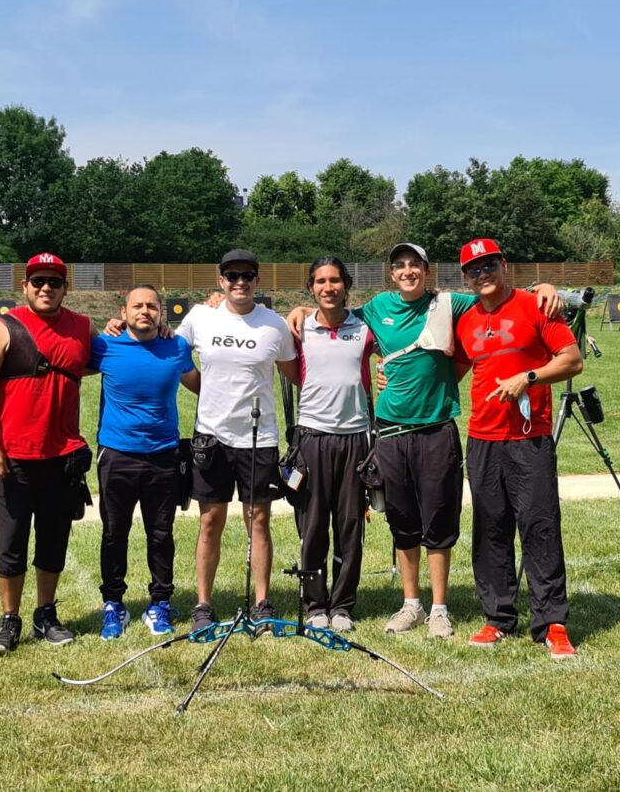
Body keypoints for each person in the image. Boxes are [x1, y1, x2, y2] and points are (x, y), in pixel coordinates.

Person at [290, 243, 558, 639]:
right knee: (403, 523)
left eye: (415, 265)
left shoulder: (451, 304)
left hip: (437, 430)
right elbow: (333, 315)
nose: (407, 271)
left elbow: (497, 296)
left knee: (439, 521)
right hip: (390, 433)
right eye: (399, 265)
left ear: (427, 272)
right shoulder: (376, 310)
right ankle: (411, 604)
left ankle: (439, 609)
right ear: (391, 274)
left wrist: (544, 286)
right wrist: (297, 311)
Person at [453, 238, 583, 659]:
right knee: (490, 529)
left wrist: (528, 377)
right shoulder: (465, 320)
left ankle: (552, 622)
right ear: (465, 277)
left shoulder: (535, 306)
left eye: (489, 265)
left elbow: (572, 359)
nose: (483, 274)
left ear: (503, 265)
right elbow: (449, 371)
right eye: (473, 269)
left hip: (529, 439)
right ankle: (498, 617)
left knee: (539, 527)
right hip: (482, 439)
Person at [0, 253, 93, 655]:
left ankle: (46, 614)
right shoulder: (4, 327)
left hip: (63, 455)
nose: (46, 288)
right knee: (12, 541)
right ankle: (9, 619)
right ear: (25, 286)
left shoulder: (82, 328)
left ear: (65, 288)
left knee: (54, 540)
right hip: (13, 457)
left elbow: (108, 356)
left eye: (54, 282)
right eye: (38, 280)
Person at [176, 249, 300, 633]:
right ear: (221, 279)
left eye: (247, 275)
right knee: (210, 521)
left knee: (258, 520)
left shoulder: (273, 325)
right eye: (232, 276)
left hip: (258, 438)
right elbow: (172, 354)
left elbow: (296, 373)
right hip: (211, 436)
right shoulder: (200, 317)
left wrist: (307, 316)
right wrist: (205, 389)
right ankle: (203, 604)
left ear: (257, 281)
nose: (240, 282)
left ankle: (262, 602)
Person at [87, 284, 200, 640]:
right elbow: (64, 369)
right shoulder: (105, 345)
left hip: (164, 454)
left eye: (152, 306)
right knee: (114, 533)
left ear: (162, 313)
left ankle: (160, 603)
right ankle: (113, 605)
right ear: (124, 312)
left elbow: (201, 385)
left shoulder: (176, 347)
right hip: (117, 454)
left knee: (161, 534)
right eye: (137, 306)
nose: (145, 311)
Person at [289, 257, 375, 632]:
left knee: (350, 526)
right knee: (312, 527)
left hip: (356, 439)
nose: (328, 287)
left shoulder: (366, 328)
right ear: (311, 288)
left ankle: (341, 605)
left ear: (346, 285)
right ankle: (314, 604)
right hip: (311, 439)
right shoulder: (298, 328)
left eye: (335, 280)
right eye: (321, 281)